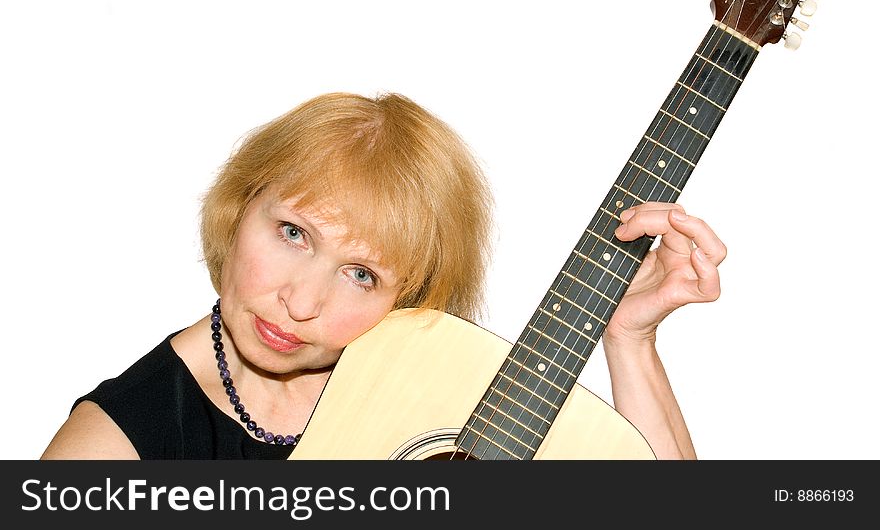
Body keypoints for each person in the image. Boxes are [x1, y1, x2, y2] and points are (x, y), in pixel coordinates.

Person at [40, 91, 725, 460]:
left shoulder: (432, 377)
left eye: (361, 273)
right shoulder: (115, 445)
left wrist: (629, 341)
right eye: (292, 233)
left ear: (413, 296)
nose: (300, 301)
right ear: (237, 205)